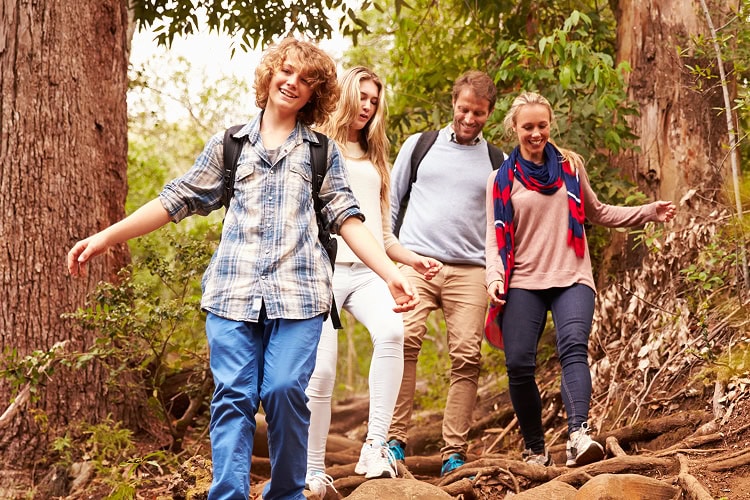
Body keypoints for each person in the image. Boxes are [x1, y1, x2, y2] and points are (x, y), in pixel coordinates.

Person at [67, 38, 419, 500]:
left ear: (315, 94)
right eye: (287, 71)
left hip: (301, 297)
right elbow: (175, 200)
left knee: (285, 392)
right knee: (233, 397)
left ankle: (287, 492)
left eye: (306, 79)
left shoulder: (320, 153)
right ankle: (228, 495)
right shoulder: (229, 145)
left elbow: (348, 220)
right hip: (232, 295)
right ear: (270, 74)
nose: (293, 82)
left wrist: (391, 272)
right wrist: (106, 236)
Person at [484, 91, 676, 467]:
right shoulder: (500, 179)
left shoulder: (569, 167)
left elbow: (598, 211)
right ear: (514, 128)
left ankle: (578, 435)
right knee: (519, 364)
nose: (536, 133)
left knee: (573, 348)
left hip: (572, 274)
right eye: (528, 127)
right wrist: (493, 278)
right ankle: (535, 449)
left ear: (550, 124)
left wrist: (648, 211)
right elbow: (494, 235)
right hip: (523, 279)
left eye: (542, 125)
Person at [303, 66, 443, 494]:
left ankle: (375, 447)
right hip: (321, 271)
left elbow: (381, 236)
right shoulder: (315, 147)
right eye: (362, 96)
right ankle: (311, 470)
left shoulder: (376, 158)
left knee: (393, 331)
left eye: (374, 100)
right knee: (322, 372)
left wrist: (413, 261)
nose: (368, 106)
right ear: (345, 94)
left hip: (368, 272)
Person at [387, 70, 501, 476]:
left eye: (479, 113)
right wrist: (391, 260)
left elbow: (498, 226)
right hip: (416, 262)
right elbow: (392, 205)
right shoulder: (420, 145)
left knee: (467, 358)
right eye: (464, 109)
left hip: (470, 271)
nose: (470, 118)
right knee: (403, 341)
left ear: (490, 112)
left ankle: (454, 452)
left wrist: (496, 272)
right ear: (453, 103)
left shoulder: (496, 162)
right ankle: (392, 441)